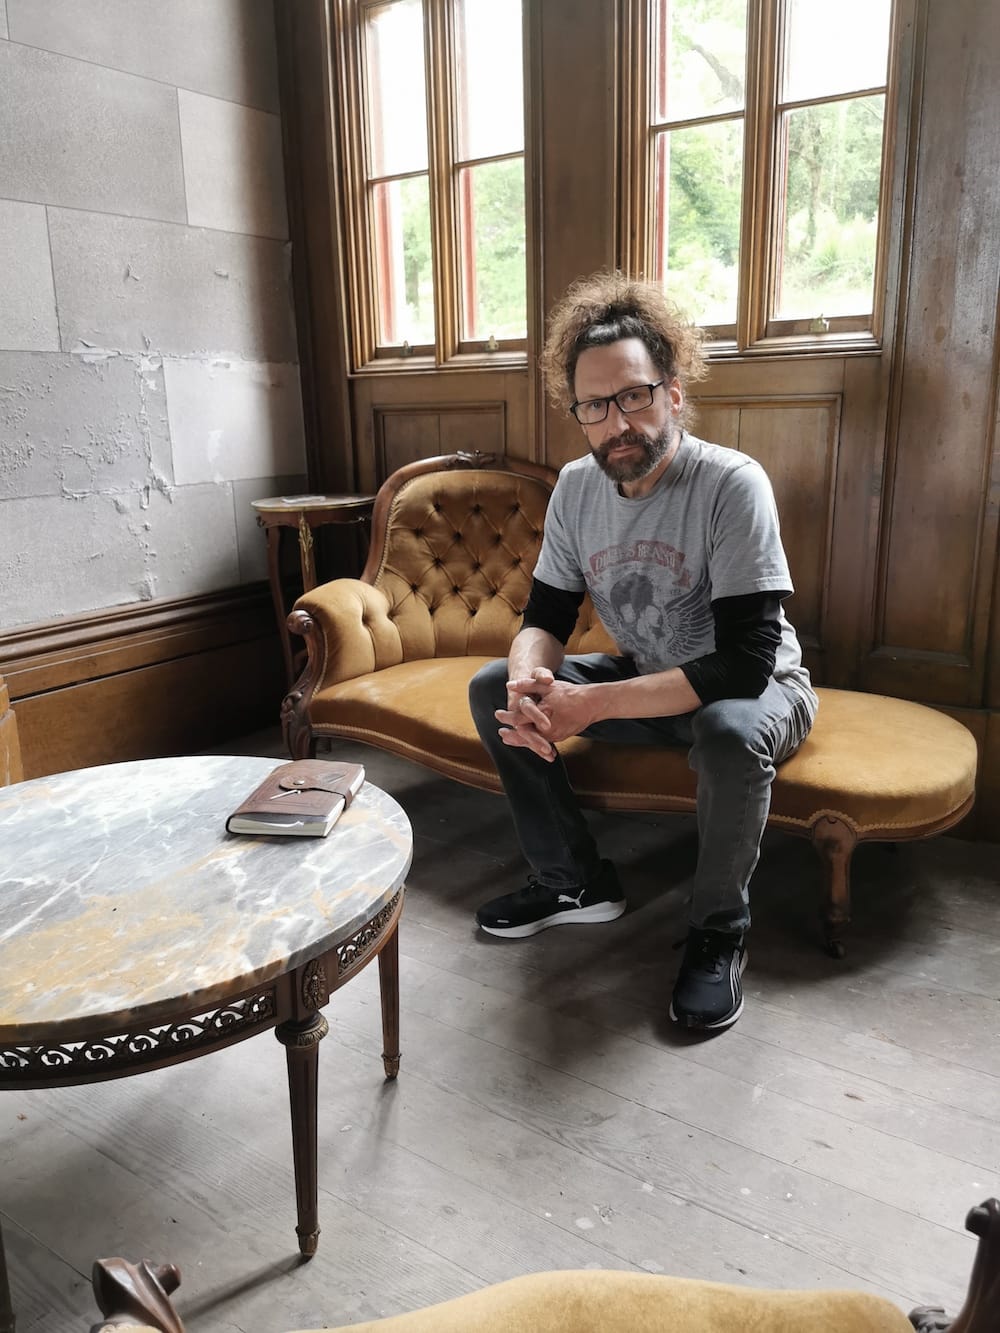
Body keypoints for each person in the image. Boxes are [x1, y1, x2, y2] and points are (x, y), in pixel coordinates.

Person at [469, 272, 818, 1032]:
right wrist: (534, 675)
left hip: (759, 688)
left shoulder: (731, 484)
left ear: (674, 391)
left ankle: (719, 930)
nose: (615, 423)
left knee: (727, 730)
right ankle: (573, 883)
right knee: (493, 681)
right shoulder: (574, 488)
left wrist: (591, 702)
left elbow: (746, 662)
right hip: (654, 677)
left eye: (633, 395)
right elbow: (547, 613)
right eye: (594, 406)